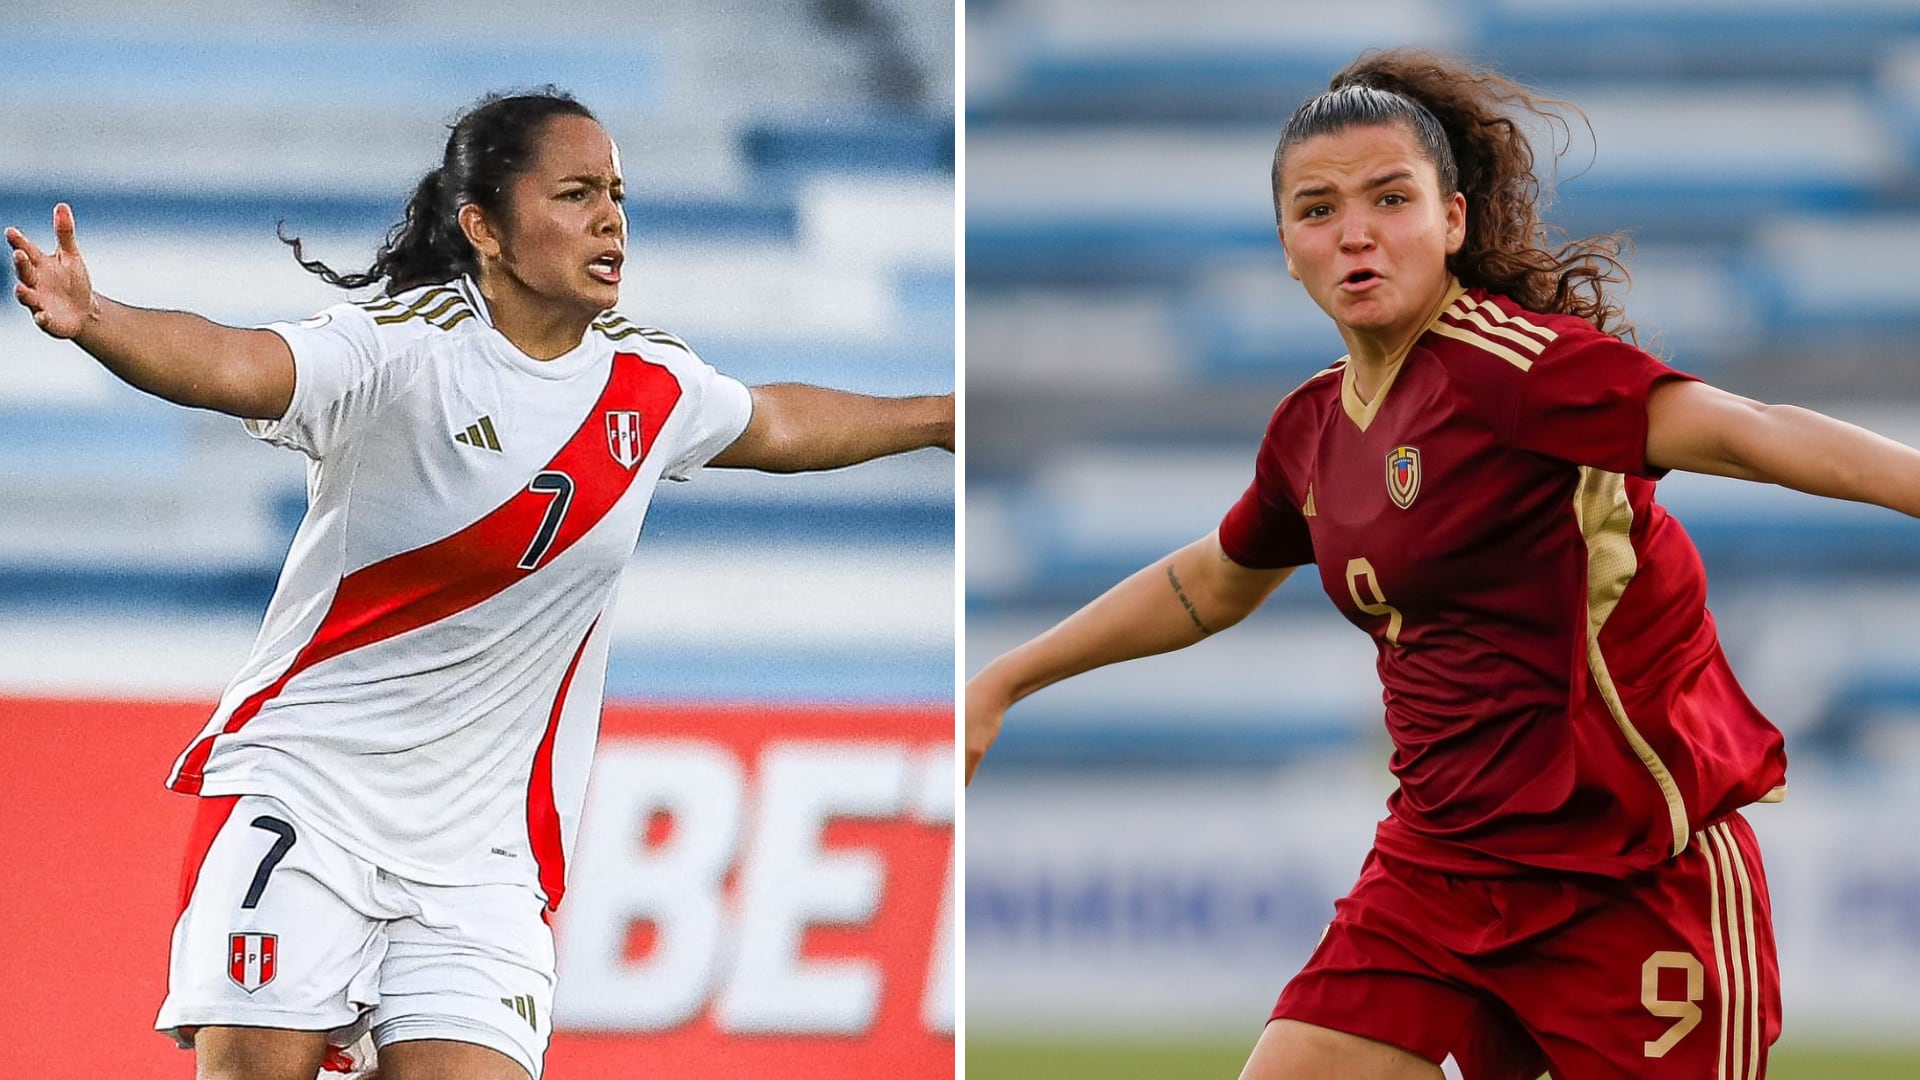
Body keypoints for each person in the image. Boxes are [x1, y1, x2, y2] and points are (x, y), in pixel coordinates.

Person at [965, 48, 1920, 1080]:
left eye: (1391, 198)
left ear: (1452, 221)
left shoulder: (1519, 371)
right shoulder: (1312, 427)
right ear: (1287, 247)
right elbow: (1210, 581)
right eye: (1318, 208)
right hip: (1438, 874)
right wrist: (1007, 679)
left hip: (1632, 875)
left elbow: (1753, 433)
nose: (1356, 232)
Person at [7, 89, 952, 1080]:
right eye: (577, 193)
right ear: (485, 229)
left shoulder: (650, 386)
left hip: (481, 860)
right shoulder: (402, 350)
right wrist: (97, 318)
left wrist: (938, 414)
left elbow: (780, 425)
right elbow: (240, 363)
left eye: (619, 196)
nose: (611, 220)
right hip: (314, 797)